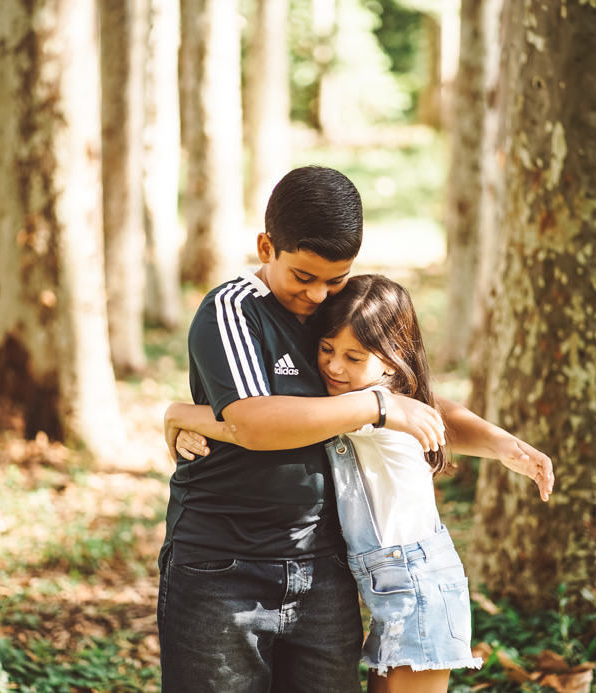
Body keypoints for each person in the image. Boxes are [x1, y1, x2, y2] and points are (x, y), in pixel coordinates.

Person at [158, 165, 551, 692]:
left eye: (335, 279)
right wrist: (376, 407)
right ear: (266, 246)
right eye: (304, 276)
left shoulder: (329, 313)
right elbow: (256, 421)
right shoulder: (233, 310)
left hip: (324, 566)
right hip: (225, 566)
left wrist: (501, 443)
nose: (319, 295)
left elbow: (412, 400)